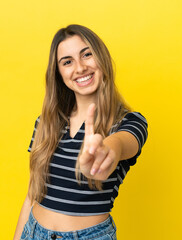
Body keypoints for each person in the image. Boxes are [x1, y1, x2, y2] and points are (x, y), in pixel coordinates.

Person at [13, 24, 148, 240]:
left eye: (87, 55)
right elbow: (31, 196)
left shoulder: (130, 123)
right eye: (67, 62)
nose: (80, 67)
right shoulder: (45, 123)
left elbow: (122, 144)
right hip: (33, 232)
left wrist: (107, 150)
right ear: (59, 74)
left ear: (101, 58)